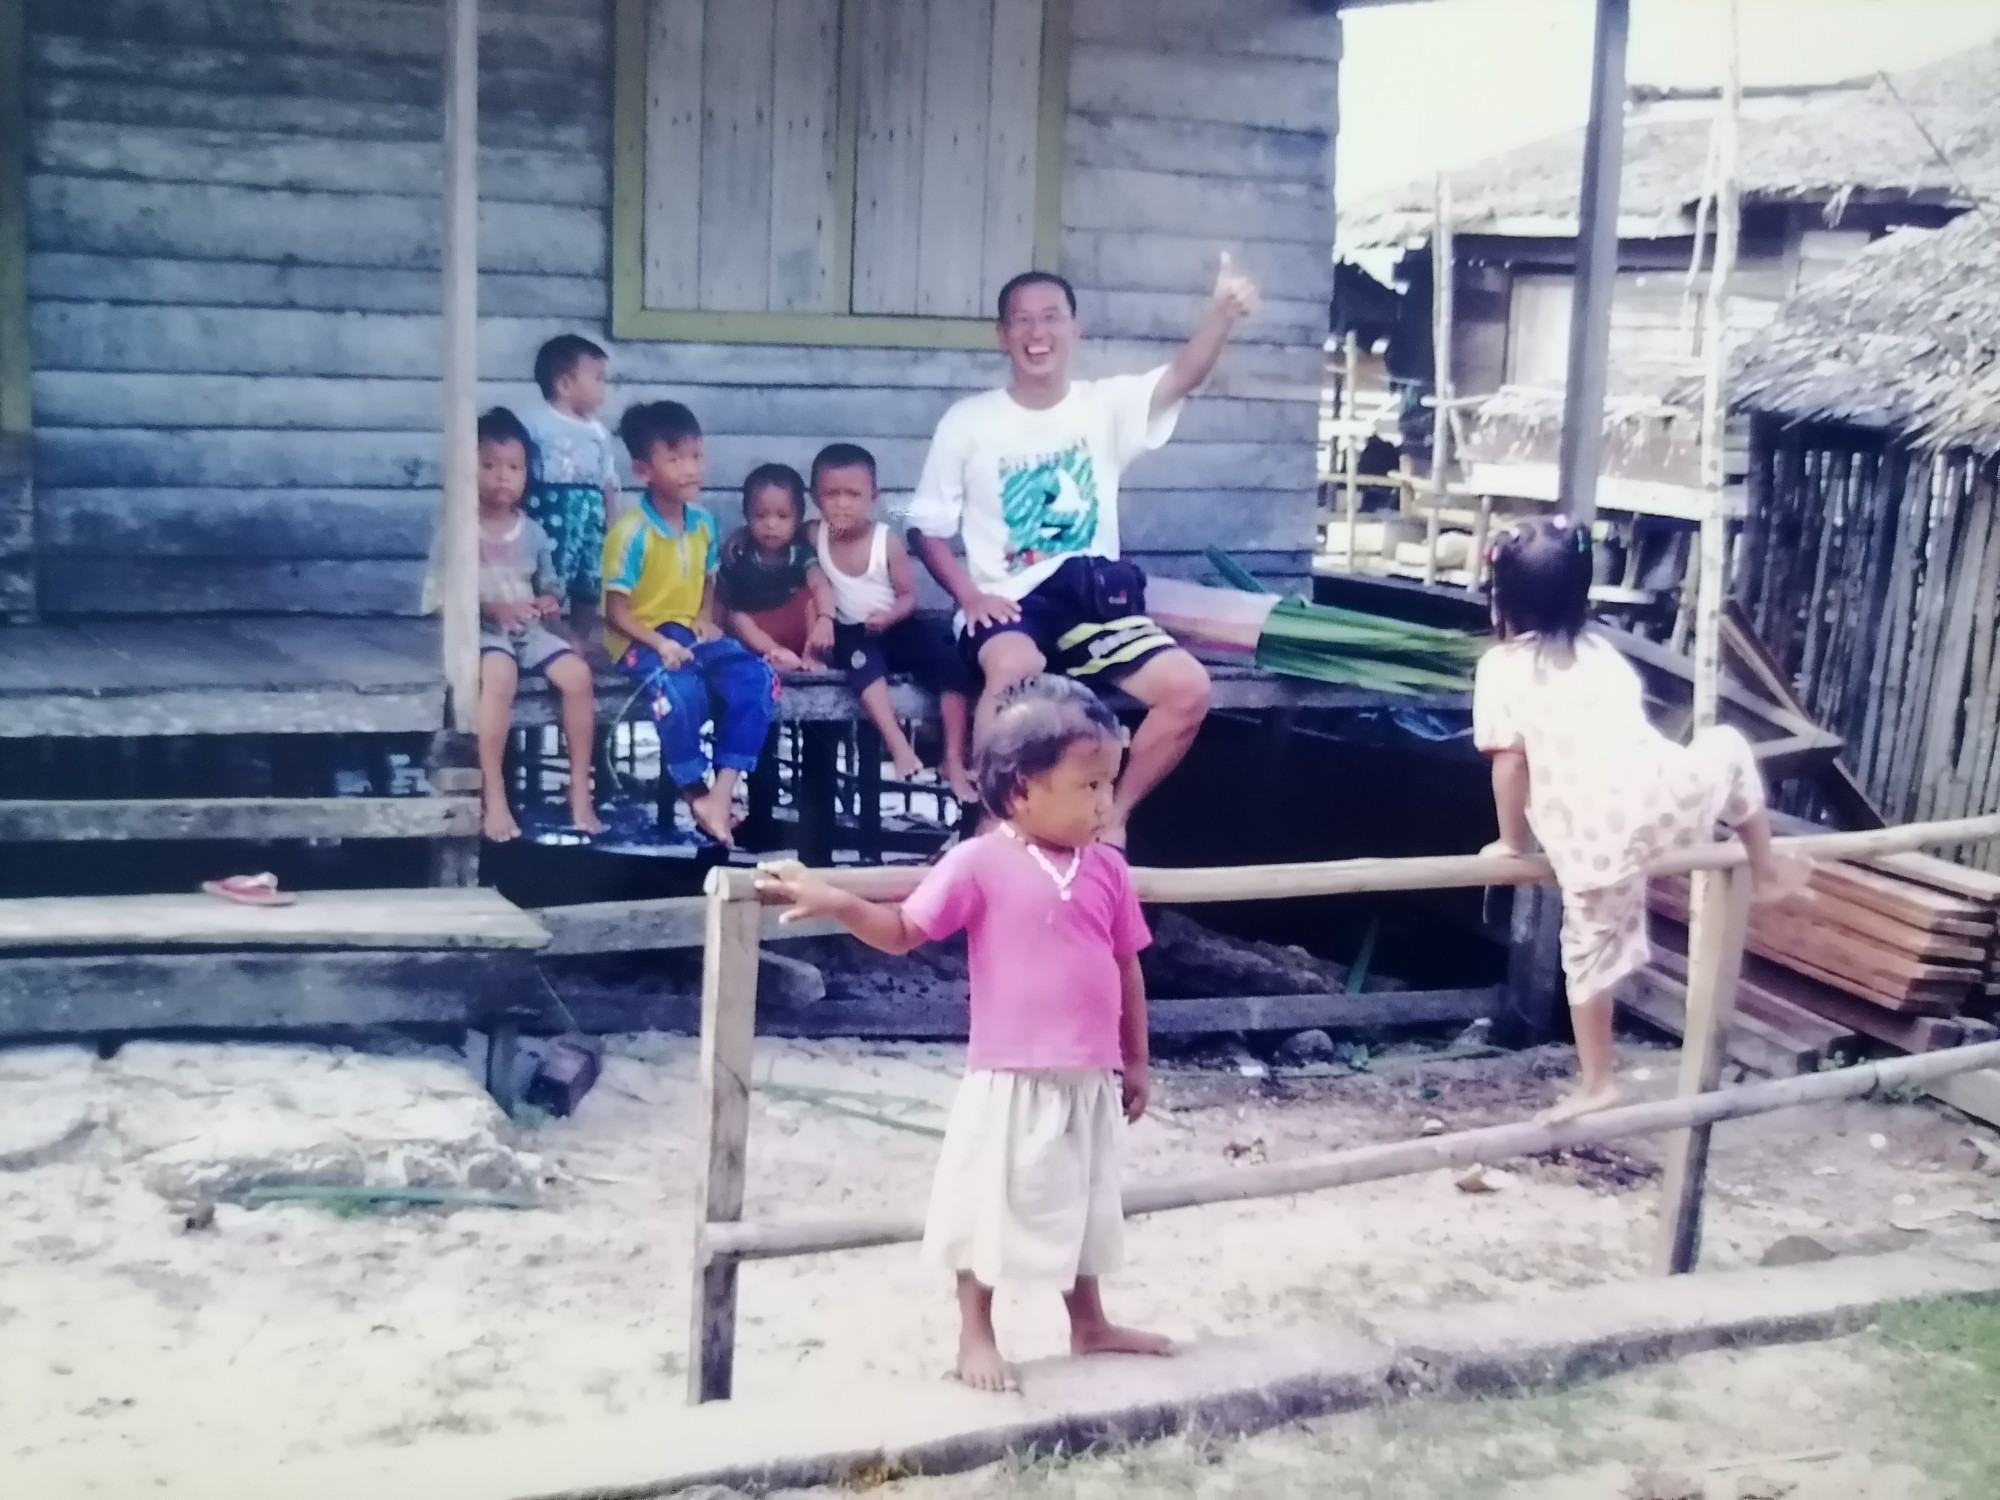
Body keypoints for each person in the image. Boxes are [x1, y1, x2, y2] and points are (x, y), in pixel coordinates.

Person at [757, 675, 1172, 1392]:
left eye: (1109, 783)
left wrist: (1135, 1059)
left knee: (1081, 1196)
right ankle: (975, 1335)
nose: (1105, 802)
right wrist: (838, 902)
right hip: (1009, 1073)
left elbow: (1126, 966)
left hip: (1088, 1071)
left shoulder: (1107, 869)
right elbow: (904, 931)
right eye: (1088, 786)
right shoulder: (979, 862)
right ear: (1019, 793)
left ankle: (1089, 1321)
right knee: (988, 1202)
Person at [904, 259, 1260, 847]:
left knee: (1187, 689)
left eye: (1051, 318)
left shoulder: (1104, 406)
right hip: (1010, 603)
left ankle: (1109, 818)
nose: (1036, 333)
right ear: (1002, 334)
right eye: (1022, 321)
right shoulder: (968, 422)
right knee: (1015, 669)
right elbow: (924, 526)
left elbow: (1182, 376)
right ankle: (995, 830)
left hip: (1093, 599)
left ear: (1075, 329)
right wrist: (968, 593)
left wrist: (1221, 312)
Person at [1474, 516, 1810, 1123]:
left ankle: (1598, 1079)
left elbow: (1509, 763)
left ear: (1503, 599)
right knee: (1730, 748)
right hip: (1661, 801)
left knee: (1586, 956)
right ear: (1582, 594)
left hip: (1590, 841)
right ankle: (1765, 866)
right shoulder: (1603, 653)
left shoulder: (1501, 668)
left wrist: (1508, 840)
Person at [424, 407, 603, 842]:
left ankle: (579, 787)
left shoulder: (534, 533)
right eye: (488, 465)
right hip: (481, 635)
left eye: (513, 467)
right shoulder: (457, 532)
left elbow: (550, 588)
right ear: (467, 469)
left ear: (527, 474)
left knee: (577, 676)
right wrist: (490, 610)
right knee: (500, 677)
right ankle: (495, 791)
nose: (502, 476)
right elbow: (438, 597)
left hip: (529, 633)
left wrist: (547, 604)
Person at [604, 401, 778, 846]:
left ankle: (720, 795)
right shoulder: (630, 533)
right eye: (676, 458)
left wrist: (704, 616)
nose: (690, 469)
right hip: (640, 637)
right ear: (644, 471)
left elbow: (709, 577)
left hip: (691, 634)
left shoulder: (702, 522)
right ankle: (693, 790)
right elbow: (616, 613)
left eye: (696, 456)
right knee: (680, 695)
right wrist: (658, 643)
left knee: (757, 679)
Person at [810, 442, 977, 805]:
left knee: (949, 664)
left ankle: (953, 758)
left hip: (894, 624)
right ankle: (898, 746)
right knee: (862, 666)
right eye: (831, 494)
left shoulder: (887, 542)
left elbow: (908, 596)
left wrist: (889, 617)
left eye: (852, 494)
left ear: (873, 496)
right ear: (815, 497)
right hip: (851, 632)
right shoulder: (813, 535)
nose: (842, 503)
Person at [524, 333, 623, 652]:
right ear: (565, 384)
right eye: (597, 378)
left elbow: (608, 478)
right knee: (549, 574)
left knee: (589, 579)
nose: (602, 388)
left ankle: (579, 638)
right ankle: (538, 633)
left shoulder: (598, 432)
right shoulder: (535, 424)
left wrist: (613, 522)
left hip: (589, 513)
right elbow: (521, 467)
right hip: (550, 510)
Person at [717, 463, 835, 672]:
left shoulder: (799, 552)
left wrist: (826, 619)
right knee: (737, 617)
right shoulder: (740, 552)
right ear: (747, 515)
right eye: (761, 516)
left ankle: (811, 657)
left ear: (798, 517)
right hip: (758, 632)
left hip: (794, 625)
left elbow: (820, 584)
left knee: (810, 599)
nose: (771, 525)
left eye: (782, 516)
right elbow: (725, 596)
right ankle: (778, 654)